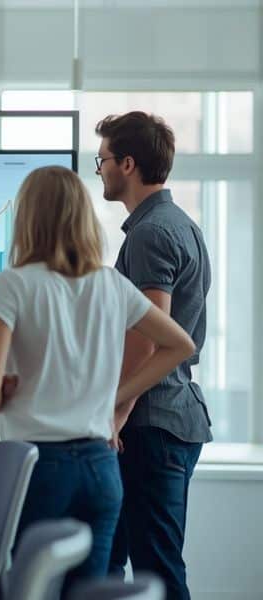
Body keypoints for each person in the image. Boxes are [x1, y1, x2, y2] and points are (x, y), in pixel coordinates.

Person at [0, 166, 195, 590]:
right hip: (100, 467)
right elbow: (180, 344)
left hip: (39, 468)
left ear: (29, 218)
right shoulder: (112, 284)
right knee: (90, 592)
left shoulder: (13, 284)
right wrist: (116, 396)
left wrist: (1, 393)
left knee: (25, 589)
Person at [96, 112, 212, 600]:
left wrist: (115, 415)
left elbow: (149, 337)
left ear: (127, 163)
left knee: (157, 572)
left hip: (149, 425)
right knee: (121, 563)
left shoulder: (151, 234)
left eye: (101, 160)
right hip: (169, 418)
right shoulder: (178, 224)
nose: (97, 170)